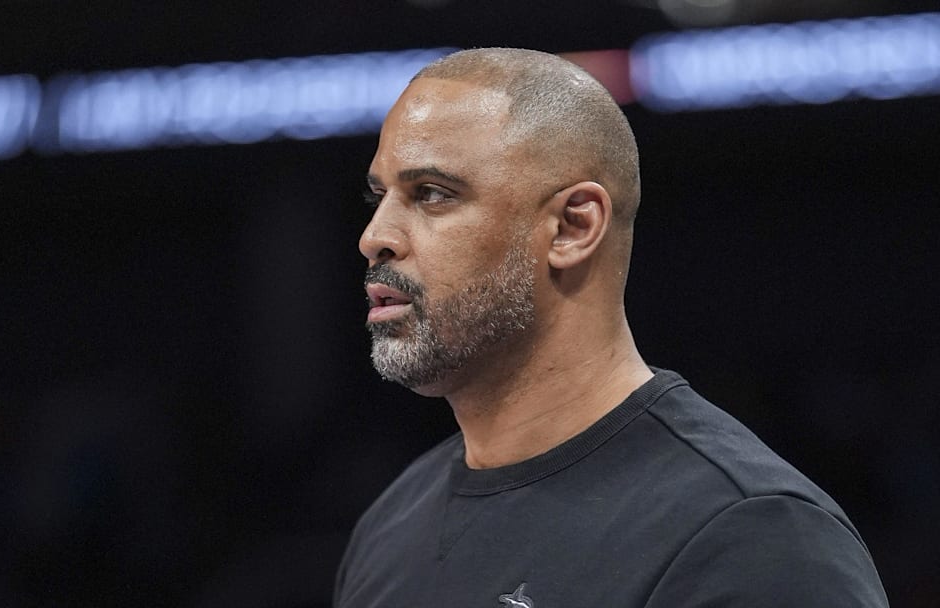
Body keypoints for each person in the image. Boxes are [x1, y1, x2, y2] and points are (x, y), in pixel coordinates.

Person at [335, 48, 889, 607]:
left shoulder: (756, 539)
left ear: (573, 226)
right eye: (380, 197)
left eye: (431, 193)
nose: (374, 236)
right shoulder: (390, 522)